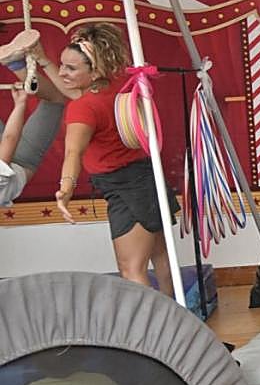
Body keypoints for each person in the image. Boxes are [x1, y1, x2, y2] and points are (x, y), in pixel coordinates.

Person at [54, 24, 178, 298]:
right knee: (161, 257)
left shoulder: (83, 107)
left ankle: (153, 332)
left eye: (71, 68)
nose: (62, 72)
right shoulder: (117, 86)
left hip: (126, 188)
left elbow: (73, 153)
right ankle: (177, 320)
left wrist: (66, 189)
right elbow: (72, 91)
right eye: (61, 65)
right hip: (148, 178)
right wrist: (39, 59)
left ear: (94, 71)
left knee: (131, 269)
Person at [1, 32, 68, 206]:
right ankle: (15, 63)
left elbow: (9, 140)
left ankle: (16, 65)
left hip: (20, 162)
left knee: (54, 100)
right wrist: (20, 106)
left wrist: (21, 104)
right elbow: (8, 142)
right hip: (13, 163)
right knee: (53, 101)